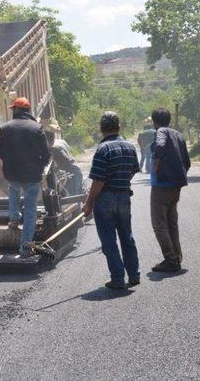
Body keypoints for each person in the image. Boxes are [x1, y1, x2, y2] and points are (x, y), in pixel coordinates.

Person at [82, 112, 140, 289]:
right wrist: (121, 181)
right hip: (123, 196)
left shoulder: (103, 149)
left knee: (108, 239)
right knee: (127, 237)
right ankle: (134, 274)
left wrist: (89, 203)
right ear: (119, 127)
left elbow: (98, 180)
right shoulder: (130, 147)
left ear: (101, 129)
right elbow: (132, 171)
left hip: (105, 198)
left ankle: (117, 278)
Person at [0, 97, 50, 257]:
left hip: (12, 173)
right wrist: (39, 166)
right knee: (30, 211)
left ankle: (13, 217)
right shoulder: (37, 127)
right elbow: (46, 154)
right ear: (28, 111)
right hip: (32, 175)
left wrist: (10, 165)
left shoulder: (5, 128)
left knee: (13, 189)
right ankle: (25, 248)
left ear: (15, 110)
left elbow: (1, 153)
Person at [149, 108, 191, 272]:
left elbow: (159, 147)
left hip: (162, 185)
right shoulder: (178, 134)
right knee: (171, 222)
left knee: (159, 224)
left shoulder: (161, 131)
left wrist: (156, 166)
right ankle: (176, 256)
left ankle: (170, 259)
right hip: (176, 185)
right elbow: (187, 162)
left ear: (155, 122)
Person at [44, 129, 84, 196]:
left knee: (75, 198)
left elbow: (67, 161)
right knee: (80, 195)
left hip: (73, 175)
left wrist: (55, 167)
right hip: (75, 172)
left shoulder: (55, 148)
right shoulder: (60, 141)